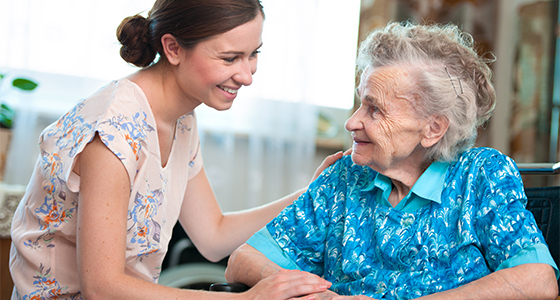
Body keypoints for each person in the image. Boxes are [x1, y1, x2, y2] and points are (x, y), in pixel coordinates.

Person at [8, 0, 337, 299]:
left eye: (254, 54)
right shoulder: (113, 133)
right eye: (229, 58)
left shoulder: (180, 120)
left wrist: (311, 193)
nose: (247, 74)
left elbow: (213, 235)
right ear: (173, 48)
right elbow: (102, 288)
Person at [225, 21, 560, 299]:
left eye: (375, 109)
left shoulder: (481, 176)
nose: (352, 122)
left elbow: (536, 279)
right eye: (360, 104)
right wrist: (311, 292)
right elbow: (243, 260)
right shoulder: (345, 177)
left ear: (432, 129)